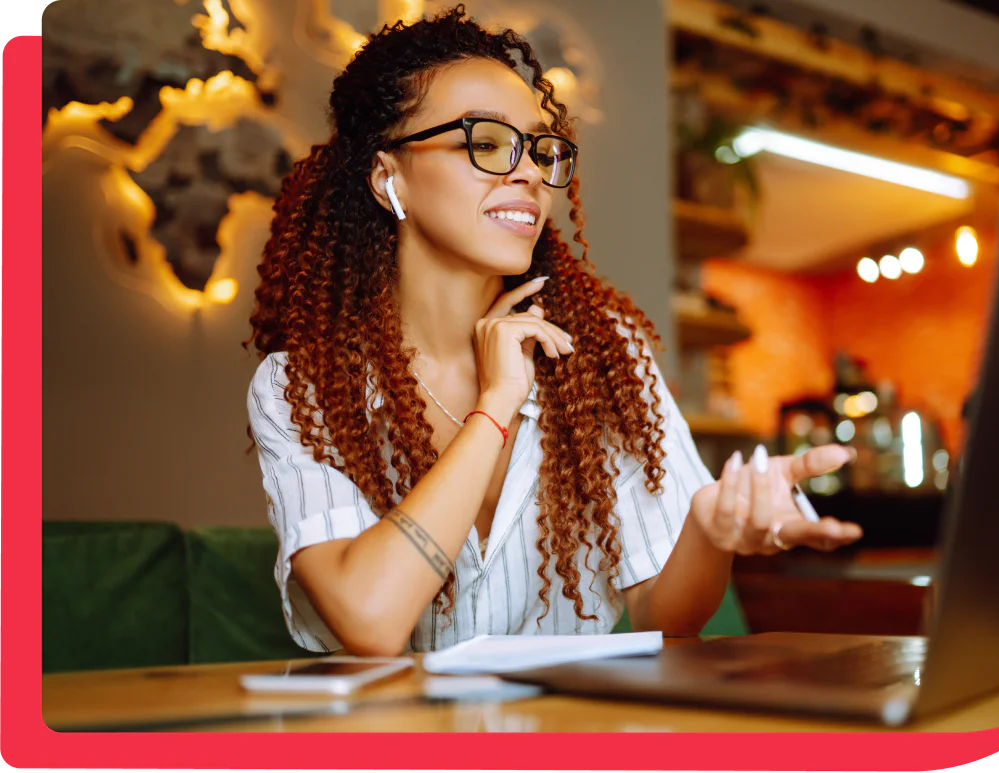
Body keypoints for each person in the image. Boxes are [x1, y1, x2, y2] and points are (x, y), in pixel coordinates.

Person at [244, 4, 862, 657]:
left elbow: (665, 614)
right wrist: (496, 404)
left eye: (541, 147)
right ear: (386, 176)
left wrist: (708, 532)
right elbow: (368, 620)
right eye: (484, 142)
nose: (530, 172)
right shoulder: (300, 386)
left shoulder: (603, 352)